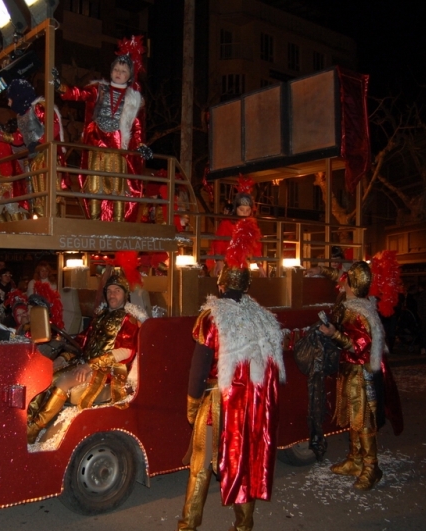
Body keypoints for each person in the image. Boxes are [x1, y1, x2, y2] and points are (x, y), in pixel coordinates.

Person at [178, 214, 283, 531]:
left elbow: (199, 367)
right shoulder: (262, 317)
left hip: (217, 404)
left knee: (200, 466)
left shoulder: (213, 316)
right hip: (250, 408)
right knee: (242, 463)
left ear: (221, 283)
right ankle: (244, 525)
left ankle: (188, 525)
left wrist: (192, 404)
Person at [26, 273, 148, 444]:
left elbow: (126, 351)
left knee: (62, 381)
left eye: (117, 291)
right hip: (86, 363)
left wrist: (90, 366)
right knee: (46, 374)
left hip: (108, 371)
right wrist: (64, 357)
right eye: (110, 291)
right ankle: (29, 419)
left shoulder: (128, 319)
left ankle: (34, 429)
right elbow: (83, 341)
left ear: (125, 294)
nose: (112, 294)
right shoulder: (100, 315)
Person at [57, 35, 152, 222]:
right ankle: (94, 222)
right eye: (116, 69)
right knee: (94, 185)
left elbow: (137, 127)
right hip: (96, 144)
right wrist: (61, 86)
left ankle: (117, 225)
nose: (118, 73)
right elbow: (78, 94)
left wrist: (140, 145)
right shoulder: (99, 89)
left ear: (130, 75)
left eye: (123, 71)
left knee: (117, 188)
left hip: (118, 149)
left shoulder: (134, 100)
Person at [317, 261, 387, 490]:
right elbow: (339, 277)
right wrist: (321, 270)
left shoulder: (357, 311)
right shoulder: (357, 303)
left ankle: (371, 467)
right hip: (352, 370)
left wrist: (333, 334)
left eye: (346, 278)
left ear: (351, 283)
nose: (342, 279)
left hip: (361, 373)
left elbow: (360, 346)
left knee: (364, 422)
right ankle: (355, 460)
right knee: (354, 419)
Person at [3, 79, 65, 217]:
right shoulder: (21, 115)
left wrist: (40, 142)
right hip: (34, 159)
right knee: (37, 194)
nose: (9, 103)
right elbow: (20, 137)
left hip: (47, 157)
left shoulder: (39, 107)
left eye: (10, 99)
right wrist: (2, 137)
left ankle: (52, 220)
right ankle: (41, 221)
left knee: (48, 191)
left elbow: (53, 126)